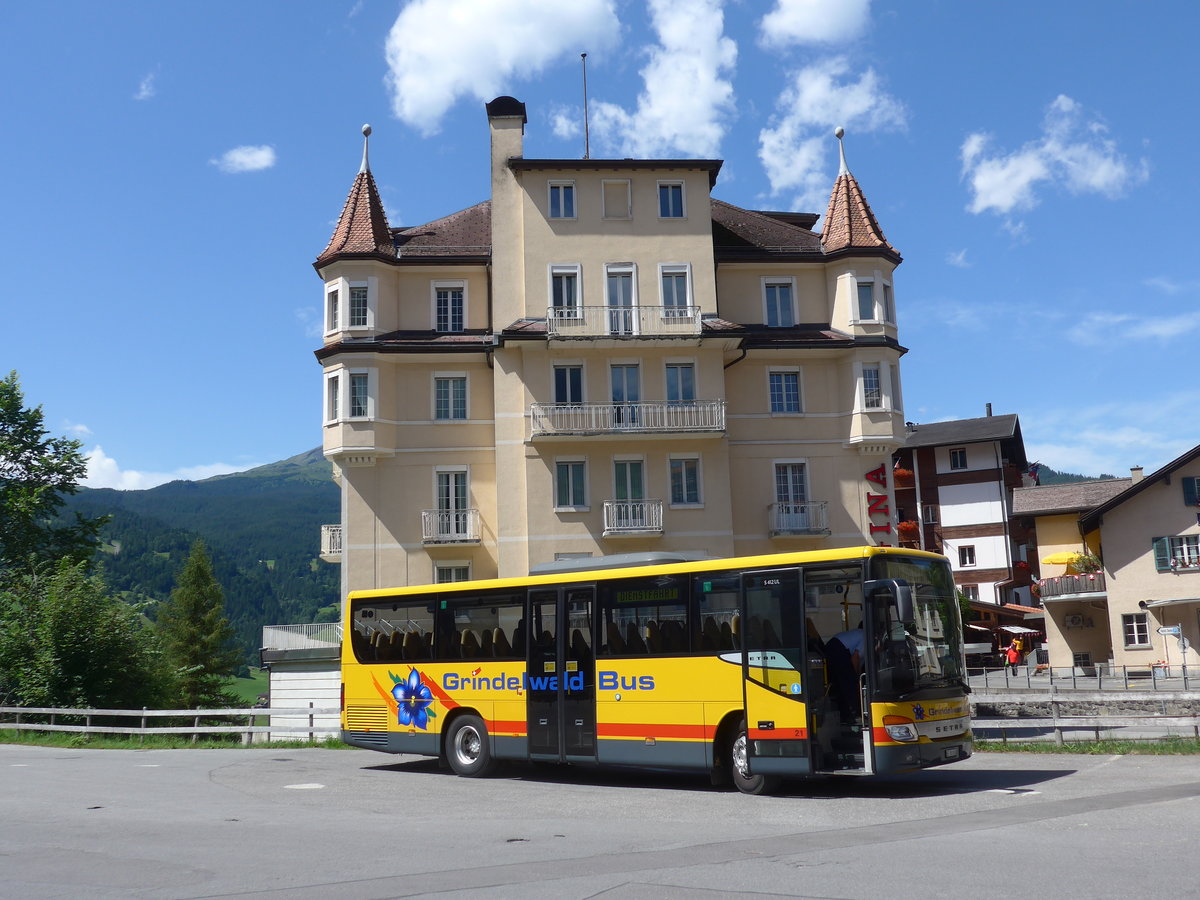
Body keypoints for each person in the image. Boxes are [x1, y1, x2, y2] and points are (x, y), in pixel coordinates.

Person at [826, 626, 865, 724]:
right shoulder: (867, 637)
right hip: (838, 648)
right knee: (848, 683)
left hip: (834, 646)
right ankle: (853, 714)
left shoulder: (861, 635)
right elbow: (855, 659)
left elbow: (859, 664)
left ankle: (845, 715)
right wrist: (856, 679)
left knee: (841, 684)